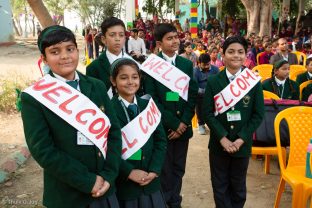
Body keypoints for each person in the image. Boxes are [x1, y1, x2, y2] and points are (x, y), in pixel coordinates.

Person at [21, 25, 122, 208]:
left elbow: (113, 132)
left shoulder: (97, 86)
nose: (65, 56)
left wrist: (108, 175)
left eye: (70, 49)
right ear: (44, 58)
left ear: (78, 50)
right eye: (55, 51)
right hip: (67, 195)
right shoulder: (33, 98)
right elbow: (43, 150)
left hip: (105, 189)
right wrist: (87, 181)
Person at [202, 36, 265, 208]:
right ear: (223, 54)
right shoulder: (214, 80)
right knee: (219, 186)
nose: (236, 56)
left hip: (241, 145)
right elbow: (207, 112)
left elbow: (258, 114)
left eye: (240, 52)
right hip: (218, 144)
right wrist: (222, 137)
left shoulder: (252, 81)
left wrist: (241, 138)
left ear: (246, 55)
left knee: (238, 187)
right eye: (231, 52)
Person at [144, 23, 198, 208]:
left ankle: (175, 201)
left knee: (178, 168)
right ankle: (164, 202)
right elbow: (152, 99)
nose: (175, 41)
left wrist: (183, 122)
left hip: (183, 128)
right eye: (170, 38)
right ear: (159, 43)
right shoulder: (151, 66)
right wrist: (173, 124)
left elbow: (192, 95)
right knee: (164, 170)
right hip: (163, 128)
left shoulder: (186, 64)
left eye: (176, 37)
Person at [109, 58, 167, 208]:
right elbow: (107, 150)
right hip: (125, 186)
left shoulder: (148, 106)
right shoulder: (108, 110)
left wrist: (154, 170)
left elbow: (161, 141)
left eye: (134, 77)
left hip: (151, 182)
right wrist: (129, 172)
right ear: (113, 81)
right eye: (123, 77)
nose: (130, 82)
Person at [86, 17, 132, 91]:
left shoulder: (133, 63)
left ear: (125, 38)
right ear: (103, 39)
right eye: (112, 35)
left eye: (121, 35)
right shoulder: (93, 68)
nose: (117, 39)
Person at [193, 53, 219, 135]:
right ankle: (201, 124)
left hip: (214, 94)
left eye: (208, 64)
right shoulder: (195, 71)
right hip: (201, 95)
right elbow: (195, 87)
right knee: (199, 103)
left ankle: (213, 124)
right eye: (204, 65)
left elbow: (219, 82)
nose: (207, 67)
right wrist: (207, 92)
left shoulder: (215, 69)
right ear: (199, 63)